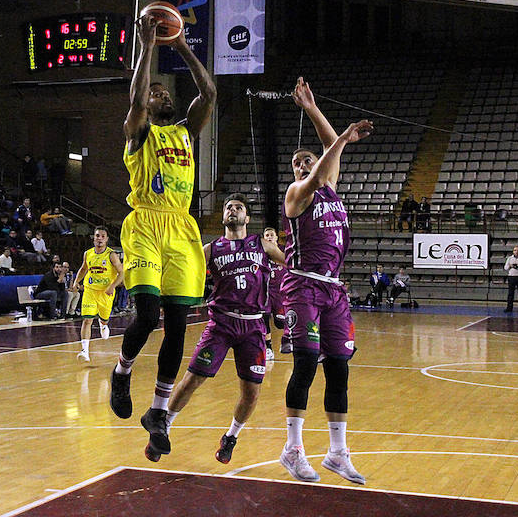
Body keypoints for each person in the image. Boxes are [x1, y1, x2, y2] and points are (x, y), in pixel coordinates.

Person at [109, 12, 217, 456]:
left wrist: (183, 47)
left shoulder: (187, 132)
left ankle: (158, 410)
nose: (160, 94)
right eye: (155, 92)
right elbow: (135, 99)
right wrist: (148, 45)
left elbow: (208, 92)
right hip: (146, 224)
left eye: (164, 91)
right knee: (148, 315)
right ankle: (121, 370)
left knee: (177, 326)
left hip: (182, 226)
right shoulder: (139, 132)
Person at [278, 76, 371, 484]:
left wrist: (314, 110)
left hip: (333, 290)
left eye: (308, 158)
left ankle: (337, 452)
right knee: (304, 364)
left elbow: (329, 158)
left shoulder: (330, 189)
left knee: (339, 367)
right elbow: (319, 171)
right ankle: (293, 449)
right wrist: (343, 140)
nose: (304, 165)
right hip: (302, 286)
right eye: (297, 162)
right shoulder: (298, 193)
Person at [154, 194, 285, 463]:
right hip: (221, 323)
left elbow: (292, 264)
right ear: (224, 216)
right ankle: (163, 427)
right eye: (228, 207)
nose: (233, 211)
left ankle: (231, 437)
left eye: (238, 208)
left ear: (247, 218)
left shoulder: (262, 244)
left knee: (251, 392)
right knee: (193, 379)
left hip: (253, 327)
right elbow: (184, 273)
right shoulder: (211, 249)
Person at [70, 226, 124, 362]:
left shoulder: (112, 255)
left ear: (106, 239)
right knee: (87, 320)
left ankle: (103, 323)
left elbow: (122, 272)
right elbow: (83, 268)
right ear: (94, 238)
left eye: (102, 236)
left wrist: (112, 286)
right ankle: (85, 351)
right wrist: (76, 281)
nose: (99, 238)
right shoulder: (88, 253)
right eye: (97, 236)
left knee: (104, 317)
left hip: (106, 292)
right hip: (90, 290)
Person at [264, 227, 290, 357]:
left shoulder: (283, 251)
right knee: (263, 320)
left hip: (280, 294)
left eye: (271, 235)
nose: (269, 237)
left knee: (280, 323)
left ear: (275, 237)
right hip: (265, 293)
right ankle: (268, 348)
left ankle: (290, 336)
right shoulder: (261, 253)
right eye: (266, 235)